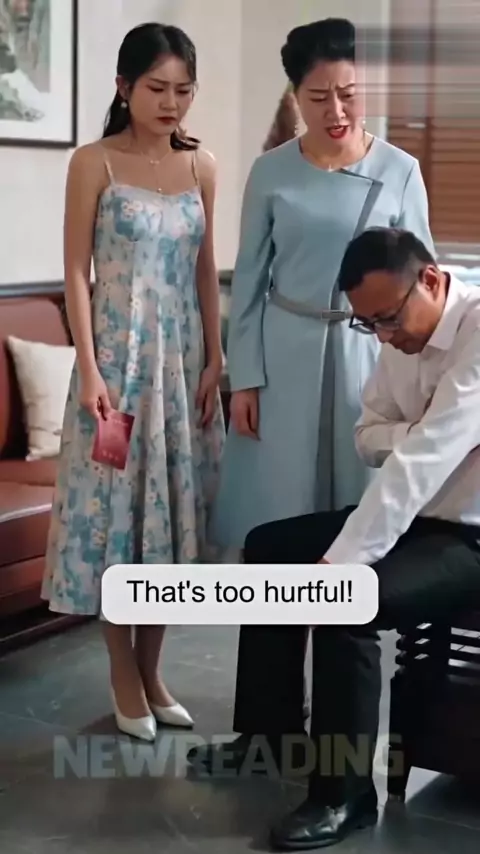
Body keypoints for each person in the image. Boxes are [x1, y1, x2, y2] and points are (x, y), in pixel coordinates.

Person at [189, 227, 480, 849]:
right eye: (367, 324)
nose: (383, 337)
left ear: (431, 280)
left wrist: (343, 560)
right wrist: (423, 433)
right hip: (414, 516)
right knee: (269, 547)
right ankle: (269, 735)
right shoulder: (397, 331)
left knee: (344, 600)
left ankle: (343, 797)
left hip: (469, 536)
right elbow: (370, 436)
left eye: (388, 319)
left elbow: (421, 463)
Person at [207, 15, 436, 746]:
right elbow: (249, 280)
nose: (336, 111)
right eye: (318, 97)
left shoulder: (400, 170)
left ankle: (343, 727)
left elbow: (424, 290)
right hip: (283, 362)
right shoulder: (271, 171)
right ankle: (266, 726)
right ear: (295, 96)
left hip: (369, 367)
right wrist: (246, 379)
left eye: (349, 93)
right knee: (272, 540)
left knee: (350, 537)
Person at [41, 22, 225, 742]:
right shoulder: (94, 163)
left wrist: (215, 358)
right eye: (157, 88)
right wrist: (89, 366)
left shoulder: (202, 165)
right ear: (124, 87)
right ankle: (123, 672)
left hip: (181, 369)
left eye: (184, 90)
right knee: (117, 517)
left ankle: (154, 671)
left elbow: (206, 271)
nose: (171, 102)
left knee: (171, 520)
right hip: (116, 370)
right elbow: (75, 273)